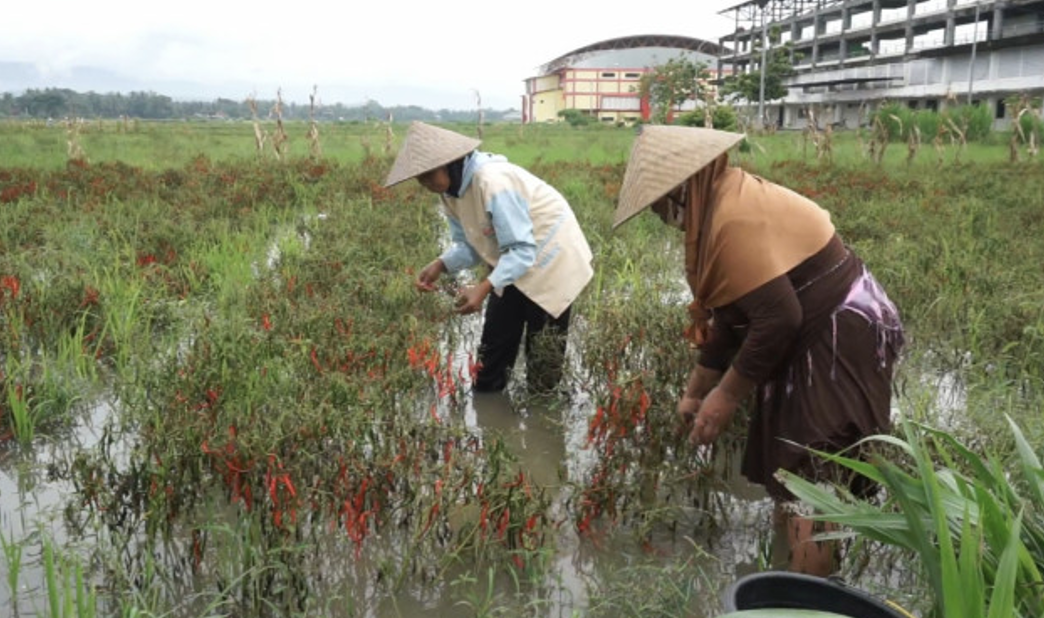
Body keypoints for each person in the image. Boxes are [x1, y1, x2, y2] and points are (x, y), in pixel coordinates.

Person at [612, 126, 904, 576]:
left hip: (837, 331)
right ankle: (790, 570)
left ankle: (810, 596)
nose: (664, 218)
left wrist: (724, 397)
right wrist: (695, 392)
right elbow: (732, 316)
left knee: (810, 472)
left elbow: (777, 319)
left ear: (683, 189)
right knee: (793, 462)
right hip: (813, 327)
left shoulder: (732, 217)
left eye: (661, 206)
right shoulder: (720, 203)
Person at [384, 121, 593, 396]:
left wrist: (482, 288)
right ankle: (489, 413)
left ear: (451, 162)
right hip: (512, 260)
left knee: (543, 360)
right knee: (492, 354)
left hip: (552, 259)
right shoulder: (450, 193)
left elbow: (523, 250)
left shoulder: (493, 182)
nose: (425, 184)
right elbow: (469, 243)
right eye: (419, 179)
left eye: (428, 175)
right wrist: (440, 264)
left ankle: (542, 424)